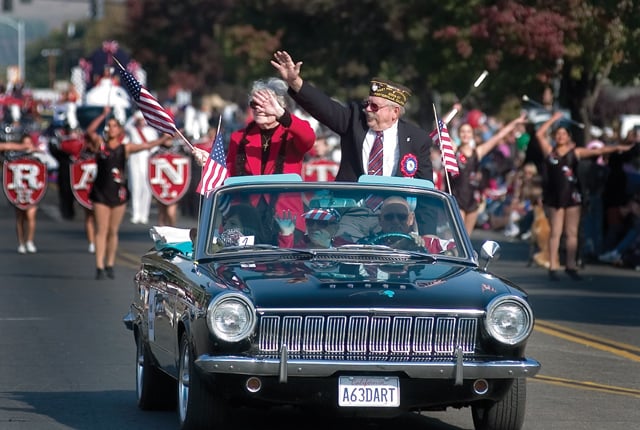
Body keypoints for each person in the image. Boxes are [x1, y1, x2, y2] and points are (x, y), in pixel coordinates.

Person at [271, 50, 433, 182]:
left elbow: (425, 189)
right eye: (367, 103)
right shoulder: (354, 119)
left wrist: (424, 223)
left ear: (394, 112)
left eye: (375, 106)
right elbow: (324, 107)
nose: (368, 109)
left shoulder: (418, 139)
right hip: (352, 211)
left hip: (395, 215)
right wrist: (295, 82)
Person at [195, 77, 316, 242]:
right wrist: (210, 163)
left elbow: (308, 138)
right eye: (254, 104)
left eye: (265, 104)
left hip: (284, 218)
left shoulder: (291, 134)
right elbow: (228, 174)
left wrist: (281, 114)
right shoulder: (240, 136)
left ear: (280, 106)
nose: (259, 109)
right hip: (246, 217)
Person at [535, 111, 635, 281]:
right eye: (557, 134)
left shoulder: (576, 152)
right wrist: (553, 119)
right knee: (556, 232)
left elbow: (600, 150)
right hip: (554, 197)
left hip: (572, 197)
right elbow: (538, 134)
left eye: (563, 134)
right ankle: (553, 265)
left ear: (568, 137)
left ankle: (571, 265)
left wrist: (618, 148)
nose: (560, 137)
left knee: (572, 233)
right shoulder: (549, 152)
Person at [85, 106, 173, 280]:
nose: (110, 128)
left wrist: (163, 138)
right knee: (101, 230)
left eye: (114, 126)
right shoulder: (100, 145)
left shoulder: (125, 148)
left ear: (120, 130)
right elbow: (89, 131)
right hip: (100, 192)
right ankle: (99, 266)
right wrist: (103, 114)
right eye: (108, 126)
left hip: (118, 193)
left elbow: (146, 145)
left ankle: (110, 263)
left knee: (112, 230)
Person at [451, 113, 527, 235]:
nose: (465, 135)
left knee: (466, 240)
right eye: (463, 132)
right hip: (457, 199)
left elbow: (498, 137)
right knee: (458, 237)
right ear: (459, 134)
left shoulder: (478, 152)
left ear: (472, 135)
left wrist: (515, 122)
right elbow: (439, 131)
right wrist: (454, 111)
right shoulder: (454, 150)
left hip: (472, 200)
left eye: (468, 132)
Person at [0, 135, 41, 254]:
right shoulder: (14, 156)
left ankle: (29, 241)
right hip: (18, 189)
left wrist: (34, 150)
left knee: (30, 215)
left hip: (31, 190)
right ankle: (22, 242)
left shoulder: (36, 154)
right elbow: (3, 147)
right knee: (20, 217)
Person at [125, 110, 158, 224]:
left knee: (147, 187)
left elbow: (155, 146)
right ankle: (136, 213)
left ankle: (144, 214)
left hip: (147, 160)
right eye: (139, 120)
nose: (141, 122)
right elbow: (126, 126)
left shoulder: (151, 131)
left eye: (142, 119)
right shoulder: (132, 130)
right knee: (135, 187)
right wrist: (133, 117)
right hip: (134, 160)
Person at [276, 208, 349, 248]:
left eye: (322, 223)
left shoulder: (347, 249)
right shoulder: (297, 249)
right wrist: (286, 234)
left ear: (335, 228)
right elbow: (283, 263)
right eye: (310, 222)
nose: (314, 227)